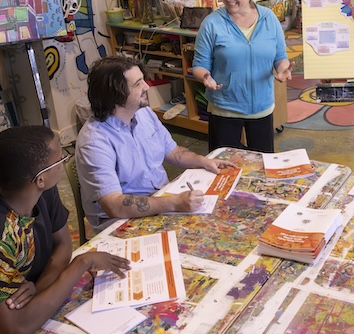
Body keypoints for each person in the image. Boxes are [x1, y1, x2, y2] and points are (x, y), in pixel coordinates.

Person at [0, 126, 131, 334]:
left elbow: (63, 246)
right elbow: (16, 330)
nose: (64, 160)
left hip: (30, 294)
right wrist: (83, 262)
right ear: (40, 178)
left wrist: (40, 287)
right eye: (60, 158)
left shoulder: (39, 190)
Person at [76, 56, 237, 233]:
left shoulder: (143, 113)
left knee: (227, 217)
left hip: (161, 202)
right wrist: (175, 203)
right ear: (115, 93)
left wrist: (204, 161)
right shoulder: (94, 141)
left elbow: (174, 152)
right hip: (122, 223)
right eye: (138, 84)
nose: (147, 87)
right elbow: (114, 205)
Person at [192, 0, 292, 153]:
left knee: (262, 168)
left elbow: (280, 57)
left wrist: (283, 69)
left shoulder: (269, 19)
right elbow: (199, 64)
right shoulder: (212, 24)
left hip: (262, 108)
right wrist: (205, 76)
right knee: (223, 167)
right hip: (224, 109)